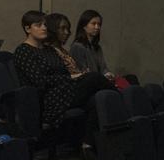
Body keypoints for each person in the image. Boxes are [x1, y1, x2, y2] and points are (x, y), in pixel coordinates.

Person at [13, 11, 101, 149]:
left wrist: (73, 77)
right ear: (28, 29)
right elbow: (40, 81)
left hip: (64, 91)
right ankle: (124, 105)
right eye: (39, 25)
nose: (44, 28)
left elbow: (64, 72)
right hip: (48, 98)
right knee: (94, 78)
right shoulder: (23, 51)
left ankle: (87, 146)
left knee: (97, 98)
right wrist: (70, 77)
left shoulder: (50, 50)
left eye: (45, 25)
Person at [46, 13, 110, 96]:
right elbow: (59, 76)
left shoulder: (63, 51)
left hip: (79, 82)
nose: (67, 32)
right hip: (68, 88)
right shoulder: (49, 51)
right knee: (96, 78)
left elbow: (103, 68)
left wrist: (107, 74)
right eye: (63, 28)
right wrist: (81, 75)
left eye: (68, 29)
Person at [70, 9, 115, 80]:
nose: (97, 27)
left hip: (99, 80)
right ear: (84, 26)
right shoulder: (77, 46)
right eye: (93, 24)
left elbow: (103, 68)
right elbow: (83, 72)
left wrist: (108, 74)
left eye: (99, 24)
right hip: (87, 82)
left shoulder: (97, 47)